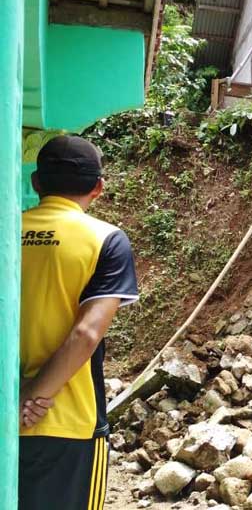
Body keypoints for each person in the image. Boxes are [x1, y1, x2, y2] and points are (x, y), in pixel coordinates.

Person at [19, 135, 139, 510]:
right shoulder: (106, 240)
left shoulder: (9, 232)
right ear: (98, 188)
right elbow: (87, 332)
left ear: (36, 183)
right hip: (68, 420)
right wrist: (33, 396)